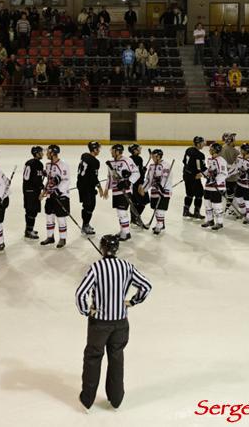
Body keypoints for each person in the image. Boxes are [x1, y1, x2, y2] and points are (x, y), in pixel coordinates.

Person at [75, 234, 153, 411]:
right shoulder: (126, 266)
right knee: (116, 358)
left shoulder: (96, 268)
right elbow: (146, 285)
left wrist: (87, 311)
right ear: (117, 249)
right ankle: (116, 398)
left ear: (102, 249)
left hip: (100, 324)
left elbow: (81, 293)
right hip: (120, 322)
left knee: (93, 358)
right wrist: (132, 301)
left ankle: (87, 399)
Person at [105, 144, 139, 240]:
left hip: (125, 191)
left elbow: (136, 173)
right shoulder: (110, 162)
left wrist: (128, 182)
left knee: (122, 212)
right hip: (116, 191)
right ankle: (123, 230)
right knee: (119, 213)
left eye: (112, 150)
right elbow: (109, 177)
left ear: (117, 151)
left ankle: (126, 233)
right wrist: (106, 189)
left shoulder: (127, 160)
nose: (111, 152)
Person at [41, 144, 71, 248]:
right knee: (49, 216)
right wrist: (44, 192)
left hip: (61, 196)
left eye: (48, 152)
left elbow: (66, 180)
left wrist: (58, 191)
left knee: (61, 218)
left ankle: (62, 238)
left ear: (53, 153)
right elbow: (49, 180)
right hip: (50, 196)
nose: (46, 154)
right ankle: (50, 237)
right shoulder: (48, 165)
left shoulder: (63, 165)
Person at [77, 141, 103, 236]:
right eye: (98, 149)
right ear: (95, 149)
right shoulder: (95, 161)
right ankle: (85, 225)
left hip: (81, 184)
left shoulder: (84, 156)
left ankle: (85, 224)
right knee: (90, 206)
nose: (99, 150)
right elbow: (93, 177)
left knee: (86, 206)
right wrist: (99, 188)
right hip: (87, 186)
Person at [143, 149, 173, 235]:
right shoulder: (151, 166)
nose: (152, 158)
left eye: (153, 156)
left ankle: (159, 225)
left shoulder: (166, 165)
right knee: (155, 208)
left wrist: (161, 188)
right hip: (154, 190)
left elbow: (166, 178)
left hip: (164, 190)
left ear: (159, 156)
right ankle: (161, 224)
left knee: (160, 209)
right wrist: (144, 189)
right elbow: (149, 179)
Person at [201, 143, 227, 231]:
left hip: (217, 187)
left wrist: (216, 181)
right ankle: (210, 220)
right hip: (208, 186)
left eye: (211, 149)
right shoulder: (210, 159)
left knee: (217, 205)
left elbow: (223, 173)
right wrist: (202, 174)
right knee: (207, 204)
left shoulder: (221, 160)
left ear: (216, 150)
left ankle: (219, 222)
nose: (209, 150)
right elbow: (209, 171)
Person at [22, 145, 45, 239]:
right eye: (41, 152)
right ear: (36, 153)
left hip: (27, 189)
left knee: (29, 210)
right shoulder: (38, 164)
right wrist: (42, 187)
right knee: (32, 211)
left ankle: (28, 229)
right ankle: (29, 231)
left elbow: (28, 177)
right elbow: (35, 179)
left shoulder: (29, 162)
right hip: (33, 191)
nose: (42, 153)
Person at [182, 136, 206, 220]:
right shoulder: (200, 155)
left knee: (189, 193)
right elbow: (201, 168)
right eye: (202, 143)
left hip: (186, 175)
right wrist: (206, 173)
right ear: (198, 144)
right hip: (194, 177)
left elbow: (184, 161)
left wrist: (187, 173)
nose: (204, 144)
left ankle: (186, 211)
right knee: (199, 194)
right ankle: (197, 213)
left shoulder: (188, 150)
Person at [233, 144, 249, 225]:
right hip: (240, 183)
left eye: (241, 149)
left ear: (245, 151)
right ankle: (243, 212)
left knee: (248, 201)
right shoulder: (239, 158)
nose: (240, 151)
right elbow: (235, 168)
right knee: (238, 198)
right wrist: (226, 175)